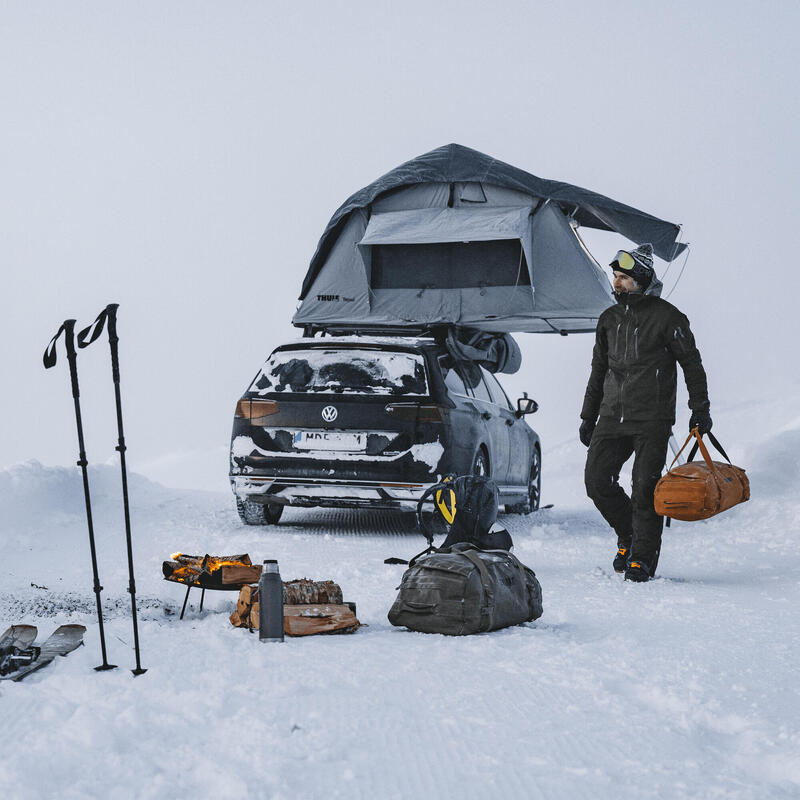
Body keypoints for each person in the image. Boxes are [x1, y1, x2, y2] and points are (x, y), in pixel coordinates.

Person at [579, 243, 711, 582]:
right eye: (615, 276)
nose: (617, 283)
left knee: (644, 487)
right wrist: (587, 416)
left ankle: (642, 557)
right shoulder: (608, 319)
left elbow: (691, 365)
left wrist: (700, 409)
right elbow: (598, 371)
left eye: (624, 277)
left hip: (652, 418)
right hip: (611, 416)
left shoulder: (668, 317)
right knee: (596, 481)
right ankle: (628, 535)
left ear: (642, 279)